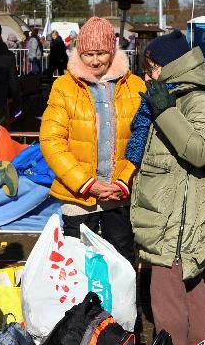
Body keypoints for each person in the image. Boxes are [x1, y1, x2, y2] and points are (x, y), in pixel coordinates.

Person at [131, 29, 205, 345]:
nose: (146, 75)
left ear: (168, 65)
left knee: (167, 307)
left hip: (176, 225)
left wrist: (166, 112)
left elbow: (201, 151)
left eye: (151, 67)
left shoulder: (197, 98)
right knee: (192, 298)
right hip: (169, 217)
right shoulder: (175, 94)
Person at [40, 16, 145, 264]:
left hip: (120, 194)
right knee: (78, 262)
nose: (95, 61)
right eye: (88, 54)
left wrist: (124, 180)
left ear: (111, 51)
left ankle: (121, 305)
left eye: (101, 53)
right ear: (79, 53)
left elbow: (143, 138)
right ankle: (84, 305)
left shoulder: (135, 85)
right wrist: (86, 183)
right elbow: (52, 141)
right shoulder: (64, 87)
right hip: (78, 196)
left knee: (120, 259)